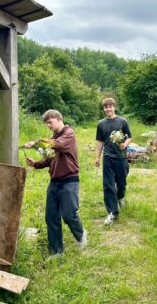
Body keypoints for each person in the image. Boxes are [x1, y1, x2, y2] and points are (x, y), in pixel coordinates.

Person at [24, 109, 87, 255]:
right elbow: (50, 159)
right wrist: (35, 164)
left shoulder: (69, 134)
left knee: (69, 214)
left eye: (50, 122)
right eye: (46, 123)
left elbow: (57, 145)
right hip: (54, 182)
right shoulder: (54, 137)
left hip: (69, 181)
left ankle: (81, 235)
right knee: (51, 216)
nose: (48, 125)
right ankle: (56, 251)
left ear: (58, 119)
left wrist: (35, 143)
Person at [95, 98, 132, 225]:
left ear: (114, 107)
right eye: (106, 107)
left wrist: (125, 144)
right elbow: (100, 142)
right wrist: (97, 157)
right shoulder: (101, 124)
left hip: (121, 157)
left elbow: (129, 136)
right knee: (108, 185)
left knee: (121, 183)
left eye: (110, 106)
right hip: (108, 158)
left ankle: (120, 196)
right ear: (104, 109)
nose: (108, 109)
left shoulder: (122, 121)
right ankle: (112, 212)